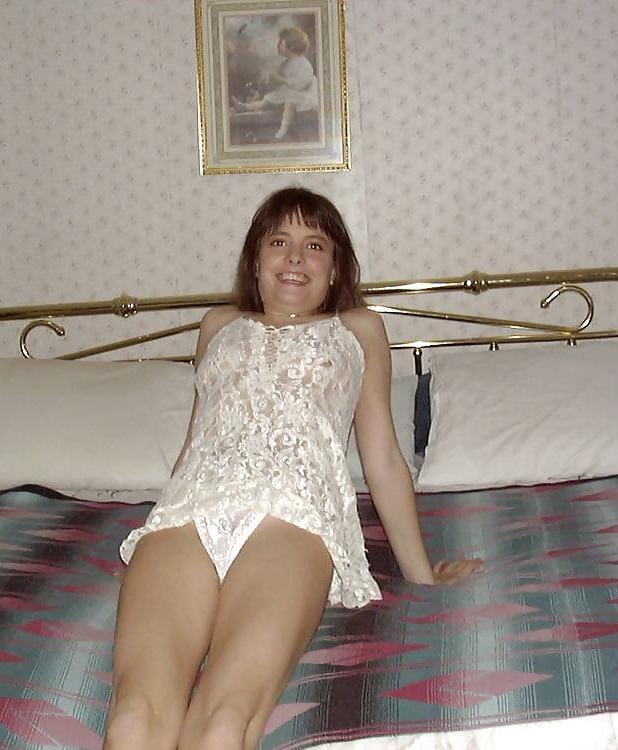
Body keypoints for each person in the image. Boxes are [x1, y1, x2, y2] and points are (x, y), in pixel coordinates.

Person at [105, 187, 482, 750]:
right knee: (134, 717)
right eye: (279, 242)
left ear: (335, 270)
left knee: (224, 720)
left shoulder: (358, 329)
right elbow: (196, 440)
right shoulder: (217, 325)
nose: (295, 257)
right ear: (255, 262)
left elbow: (382, 456)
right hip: (187, 516)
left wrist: (421, 573)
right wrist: (146, 549)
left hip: (293, 518)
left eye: (315, 245)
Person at [232, 27, 319, 139]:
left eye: (281, 43)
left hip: (305, 94)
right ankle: (245, 107)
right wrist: (272, 78)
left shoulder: (303, 64)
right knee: (269, 99)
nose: (278, 45)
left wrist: (281, 80)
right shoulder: (285, 63)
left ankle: (284, 129)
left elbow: (301, 83)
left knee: (289, 102)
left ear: (292, 46)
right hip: (290, 92)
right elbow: (278, 80)